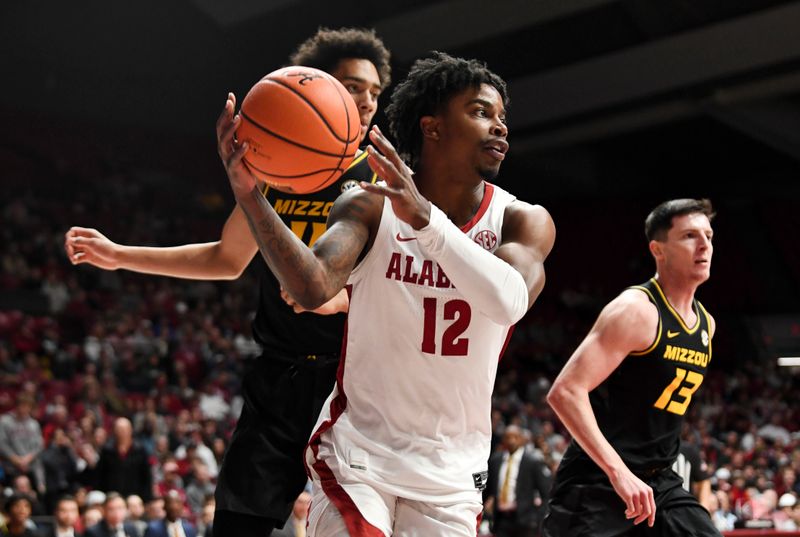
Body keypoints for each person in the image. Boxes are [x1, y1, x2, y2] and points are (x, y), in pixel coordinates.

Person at [64, 27, 391, 537]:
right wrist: (117, 255)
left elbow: (410, 286)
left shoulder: (384, 177)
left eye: (374, 91)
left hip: (355, 381)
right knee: (237, 523)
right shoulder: (276, 170)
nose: (367, 101)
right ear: (318, 91)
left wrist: (342, 301)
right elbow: (225, 257)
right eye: (352, 87)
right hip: (279, 376)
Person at [220, 51, 554, 535]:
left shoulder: (523, 220)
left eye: (503, 117)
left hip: (453, 472)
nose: (500, 127)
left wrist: (427, 221)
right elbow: (312, 285)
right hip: (359, 455)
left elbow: (508, 301)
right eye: (481, 112)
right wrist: (250, 194)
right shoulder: (369, 206)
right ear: (432, 127)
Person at [543, 198, 720, 536]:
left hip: (659, 483)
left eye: (709, 236)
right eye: (689, 236)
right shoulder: (635, 311)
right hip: (598, 481)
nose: (704, 245)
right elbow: (565, 391)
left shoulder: (706, 325)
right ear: (659, 250)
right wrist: (619, 472)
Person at [485, 426, 552, 537]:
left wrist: (537, 518)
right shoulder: (495, 460)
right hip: (501, 519)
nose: (511, 440)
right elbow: (488, 491)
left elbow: (546, 493)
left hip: (526, 520)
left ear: (522, 439)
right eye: (507, 437)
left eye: (515, 437)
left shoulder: (532, 461)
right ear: (503, 440)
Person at [93, 418, 152, 502]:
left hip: (134, 498)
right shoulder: (107, 450)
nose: (121, 432)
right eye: (119, 429)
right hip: (111, 497)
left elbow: (146, 477)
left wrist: (146, 499)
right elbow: (99, 475)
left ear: (130, 430)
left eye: (124, 429)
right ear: (114, 431)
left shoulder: (140, 450)